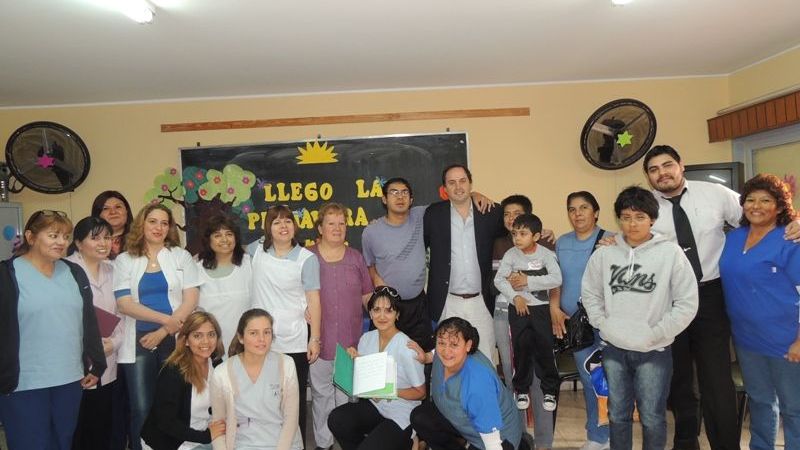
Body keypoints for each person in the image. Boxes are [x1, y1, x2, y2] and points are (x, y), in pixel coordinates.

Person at [582, 186, 699, 450]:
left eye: (639, 217)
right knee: (617, 415)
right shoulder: (605, 253)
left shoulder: (670, 254)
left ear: (652, 220)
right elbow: (589, 292)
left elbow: (687, 301)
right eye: (626, 217)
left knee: (652, 417)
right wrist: (603, 324)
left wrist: (658, 332)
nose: (632, 224)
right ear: (619, 219)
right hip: (614, 349)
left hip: (654, 350)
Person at [0, 210, 106, 450]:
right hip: (23, 383)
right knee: (31, 444)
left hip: (69, 379)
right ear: (30, 236)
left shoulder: (74, 272)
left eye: (65, 236)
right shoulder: (6, 275)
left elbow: (88, 320)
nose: (62, 242)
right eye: (53, 235)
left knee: (63, 442)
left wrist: (97, 362)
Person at [362, 177, 493, 353]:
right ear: (384, 199)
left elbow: (455, 199)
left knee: (421, 356)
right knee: (385, 357)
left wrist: (474, 194)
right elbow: (369, 264)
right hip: (387, 306)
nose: (400, 197)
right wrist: (377, 280)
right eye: (394, 192)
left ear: (411, 199)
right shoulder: (371, 232)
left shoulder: (423, 215)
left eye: (404, 192)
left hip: (418, 306)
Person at [719, 174, 800, 450]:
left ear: (779, 206)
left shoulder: (790, 239)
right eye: (750, 200)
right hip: (746, 339)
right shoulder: (733, 237)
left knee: (794, 407)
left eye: (766, 200)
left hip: (786, 341)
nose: (757, 206)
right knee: (761, 401)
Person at [114, 204, 202, 450]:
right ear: (142, 223)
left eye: (164, 223)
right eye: (153, 221)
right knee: (141, 407)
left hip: (173, 340)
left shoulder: (180, 256)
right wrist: (166, 321)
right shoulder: (125, 259)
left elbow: (191, 298)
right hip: (139, 340)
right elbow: (124, 304)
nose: (159, 227)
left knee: (173, 404)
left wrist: (165, 331)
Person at [250, 204, 321, 446]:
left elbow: (314, 300)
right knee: (263, 401)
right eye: (277, 221)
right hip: (260, 342)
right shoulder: (256, 251)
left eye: (288, 221)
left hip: (295, 340)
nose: (283, 226)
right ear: (268, 227)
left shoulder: (306, 258)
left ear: (295, 226)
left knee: (293, 401)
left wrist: (315, 338)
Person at [491, 195, 555, 450]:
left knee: (539, 374)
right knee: (512, 374)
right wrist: (514, 295)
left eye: (517, 213)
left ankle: (544, 440)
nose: (511, 218)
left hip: (536, 313)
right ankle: (518, 439)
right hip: (503, 314)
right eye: (506, 214)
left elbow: (554, 282)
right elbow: (494, 280)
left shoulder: (544, 245)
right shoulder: (497, 245)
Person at [308, 202, 373, 450]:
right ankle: (323, 444)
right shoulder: (308, 257)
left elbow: (367, 296)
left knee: (346, 397)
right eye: (331, 223)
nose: (337, 228)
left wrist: (382, 318)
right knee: (321, 396)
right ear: (320, 228)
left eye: (342, 223)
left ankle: (346, 442)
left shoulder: (355, 258)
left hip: (349, 344)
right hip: (319, 342)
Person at [327, 286, 426, 450]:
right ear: (370, 313)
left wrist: (390, 391)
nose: (381, 316)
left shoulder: (407, 347)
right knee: (337, 420)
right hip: (375, 405)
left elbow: (421, 393)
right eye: (376, 309)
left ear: (397, 314)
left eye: (388, 310)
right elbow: (365, 376)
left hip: (401, 412)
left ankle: (410, 439)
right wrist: (353, 360)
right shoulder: (366, 339)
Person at [424, 164, 506, 358]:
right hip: (448, 300)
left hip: (482, 300)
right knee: (449, 359)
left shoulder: (489, 212)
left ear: (470, 183)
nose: (458, 187)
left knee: (485, 357)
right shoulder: (433, 214)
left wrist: (544, 234)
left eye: (463, 181)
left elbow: (512, 233)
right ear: (444, 188)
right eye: (451, 183)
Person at [550, 191, 610, 450]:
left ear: (595, 212)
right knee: (590, 379)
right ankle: (597, 437)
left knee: (611, 380)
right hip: (577, 327)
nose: (578, 214)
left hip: (607, 323)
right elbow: (555, 280)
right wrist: (554, 307)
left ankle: (612, 435)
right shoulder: (562, 242)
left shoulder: (610, 240)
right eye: (572, 209)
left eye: (584, 208)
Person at [410, 317, 526, 450]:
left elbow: (493, 444)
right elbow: (438, 351)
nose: (446, 351)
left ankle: (523, 445)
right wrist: (426, 357)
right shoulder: (444, 355)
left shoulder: (477, 382)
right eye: (441, 343)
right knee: (420, 417)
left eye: (454, 345)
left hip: (497, 438)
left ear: (468, 345)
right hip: (464, 423)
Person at [66, 216, 126, 450]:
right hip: (76, 361)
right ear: (79, 243)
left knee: (102, 424)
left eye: (107, 237)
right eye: (95, 238)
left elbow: (124, 313)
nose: (103, 243)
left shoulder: (114, 271)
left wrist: (116, 342)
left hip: (108, 357)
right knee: (77, 427)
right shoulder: (65, 270)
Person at [494, 213, 561, 412]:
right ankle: (521, 389)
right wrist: (515, 297)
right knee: (521, 348)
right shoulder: (511, 255)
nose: (517, 238)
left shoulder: (545, 254)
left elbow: (556, 279)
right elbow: (499, 280)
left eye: (523, 234)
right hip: (518, 308)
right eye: (515, 233)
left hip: (540, 309)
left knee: (544, 348)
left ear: (536, 236)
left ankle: (549, 389)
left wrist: (527, 282)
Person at [209, 308, 303, 450]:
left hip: (284, 445)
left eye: (267, 332)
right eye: (254, 333)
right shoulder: (222, 373)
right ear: (241, 337)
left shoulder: (286, 364)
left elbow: (291, 419)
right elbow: (218, 424)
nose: (262, 339)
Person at [141, 311, 227, 450]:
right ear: (186, 340)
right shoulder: (173, 371)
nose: (206, 341)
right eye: (197, 335)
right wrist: (205, 436)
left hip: (202, 434)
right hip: (171, 442)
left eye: (211, 334)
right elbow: (166, 422)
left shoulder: (216, 363)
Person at [196, 214, 252, 356]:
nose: (224, 239)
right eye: (217, 235)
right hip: (207, 348)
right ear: (208, 240)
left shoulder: (250, 264)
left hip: (244, 345)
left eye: (229, 234)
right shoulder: (196, 269)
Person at [92, 190, 135, 260]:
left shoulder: (141, 239)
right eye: (105, 208)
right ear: (97, 215)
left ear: (126, 210)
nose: (113, 212)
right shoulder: (87, 241)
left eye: (118, 207)